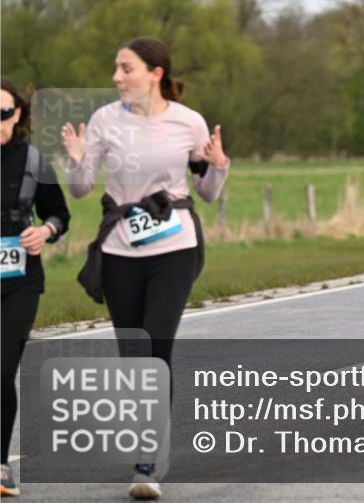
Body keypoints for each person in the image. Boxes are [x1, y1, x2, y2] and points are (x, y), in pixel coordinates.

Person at [61, 38, 230, 500]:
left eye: (126, 68)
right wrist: (77, 161)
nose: (117, 77)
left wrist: (219, 166)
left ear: (155, 73)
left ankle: (147, 462)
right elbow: (78, 190)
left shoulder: (188, 121)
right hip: (119, 251)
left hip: (174, 246)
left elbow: (210, 192)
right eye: (116, 68)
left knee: (156, 347)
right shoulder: (103, 121)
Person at [1, 79, 71, 499]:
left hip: (20, 280)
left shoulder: (33, 160)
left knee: (0, 369)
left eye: (3, 114)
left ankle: (0, 465)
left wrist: (45, 230)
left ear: (19, 116)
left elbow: (60, 215)